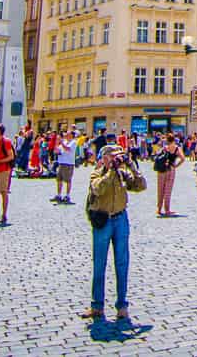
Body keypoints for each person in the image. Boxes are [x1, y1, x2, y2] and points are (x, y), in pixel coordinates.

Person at [83, 143, 146, 324]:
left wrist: (131, 165)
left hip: (120, 220)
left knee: (122, 263)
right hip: (103, 221)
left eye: (118, 155)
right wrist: (111, 170)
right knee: (99, 264)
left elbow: (141, 185)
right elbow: (98, 188)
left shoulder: (122, 173)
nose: (115, 158)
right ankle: (97, 305)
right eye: (112, 156)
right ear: (104, 158)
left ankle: (122, 306)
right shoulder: (97, 173)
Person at [152, 133, 183, 217]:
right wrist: (176, 166)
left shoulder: (165, 148)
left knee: (160, 189)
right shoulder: (177, 148)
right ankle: (167, 209)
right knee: (168, 191)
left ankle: (159, 209)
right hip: (171, 170)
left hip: (162, 170)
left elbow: (157, 155)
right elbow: (182, 158)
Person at [54, 131, 79, 204]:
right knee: (59, 180)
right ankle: (59, 195)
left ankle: (67, 195)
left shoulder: (73, 142)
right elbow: (57, 151)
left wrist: (61, 142)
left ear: (72, 135)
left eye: (68, 134)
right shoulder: (64, 142)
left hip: (68, 163)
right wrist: (56, 143)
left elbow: (67, 149)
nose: (66, 135)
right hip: (61, 162)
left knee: (68, 180)